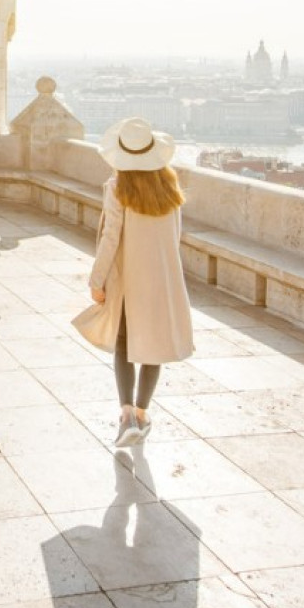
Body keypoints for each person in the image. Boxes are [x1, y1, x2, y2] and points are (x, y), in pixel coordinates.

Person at [88, 116, 193, 448]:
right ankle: (143, 414)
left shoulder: (118, 188)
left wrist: (97, 279)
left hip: (129, 279)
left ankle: (126, 415)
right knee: (153, 347)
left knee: (123, 344)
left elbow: (110, 237)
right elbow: (174, 237)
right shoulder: (170, 188)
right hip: (163, 277)